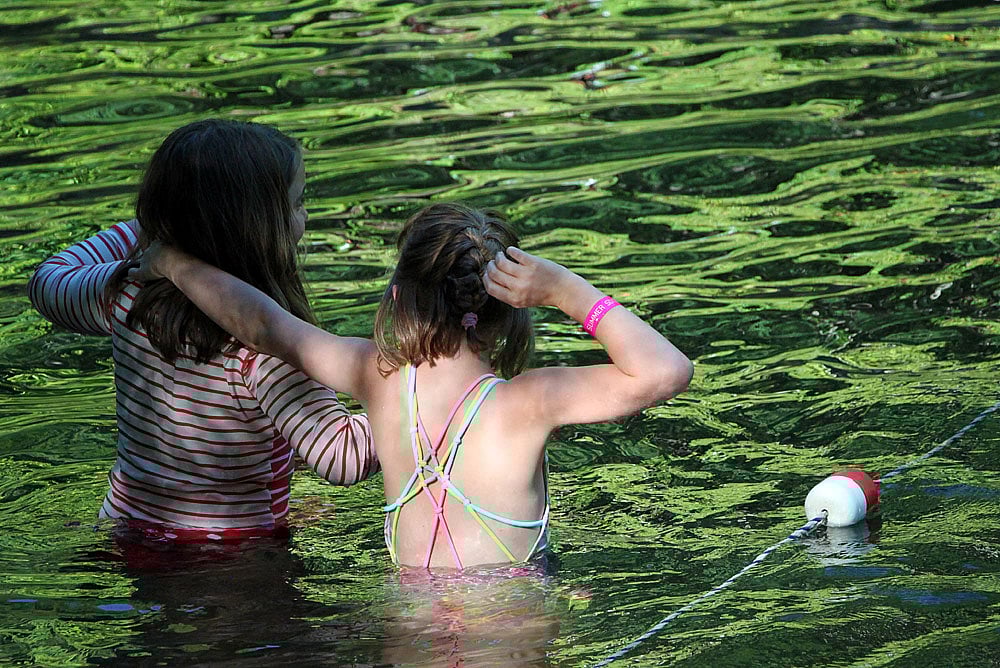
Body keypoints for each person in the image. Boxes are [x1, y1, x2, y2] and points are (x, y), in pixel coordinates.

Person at [132, 202, 693, 567]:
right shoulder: (529, 401)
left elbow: (263, 324)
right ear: (512, 315)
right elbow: (666, 371)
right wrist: (569, 291)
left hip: (409, 621)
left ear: (397, 298)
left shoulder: (374, 376)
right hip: (510, 621)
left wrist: (175, 265)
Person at [27, 119, 377, 544]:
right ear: (259, 227)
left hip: (126, 532)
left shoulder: (127, 293)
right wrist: (427, 402)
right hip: (230, 559)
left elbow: (47, 282)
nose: (304, 215)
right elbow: (342, 456)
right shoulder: (265, 347)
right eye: (296, 203)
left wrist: (163, 226)